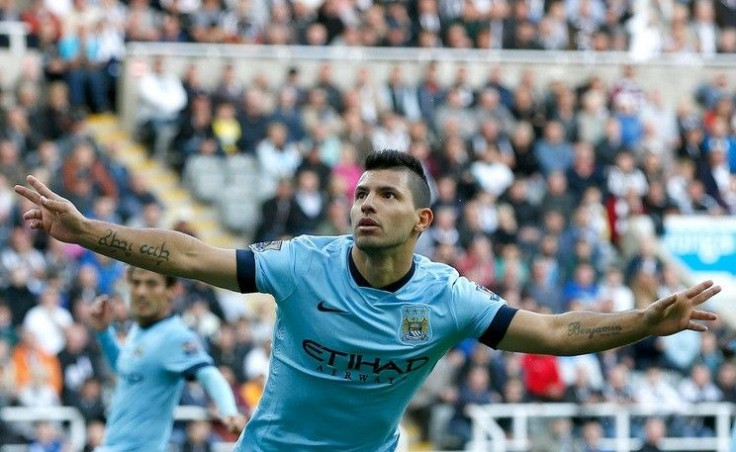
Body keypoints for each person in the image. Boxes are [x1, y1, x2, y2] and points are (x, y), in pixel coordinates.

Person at [14, 150, 721, 451]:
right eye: (361, 193)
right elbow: (191, 255)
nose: (367, 205)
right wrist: (87, 233)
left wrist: (645, 323)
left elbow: (557, 331)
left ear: (422, 222)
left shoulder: (448, 297)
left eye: (387, 195)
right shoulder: (300, 265)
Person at [85, 266, 246, 451]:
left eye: (151, 284)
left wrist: (229, 411)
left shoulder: (175, 336)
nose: (141, 291)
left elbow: (209, 374)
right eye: (136, 283)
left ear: (172, 290)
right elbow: (126, 369)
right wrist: (104, 332)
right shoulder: (140, 329)